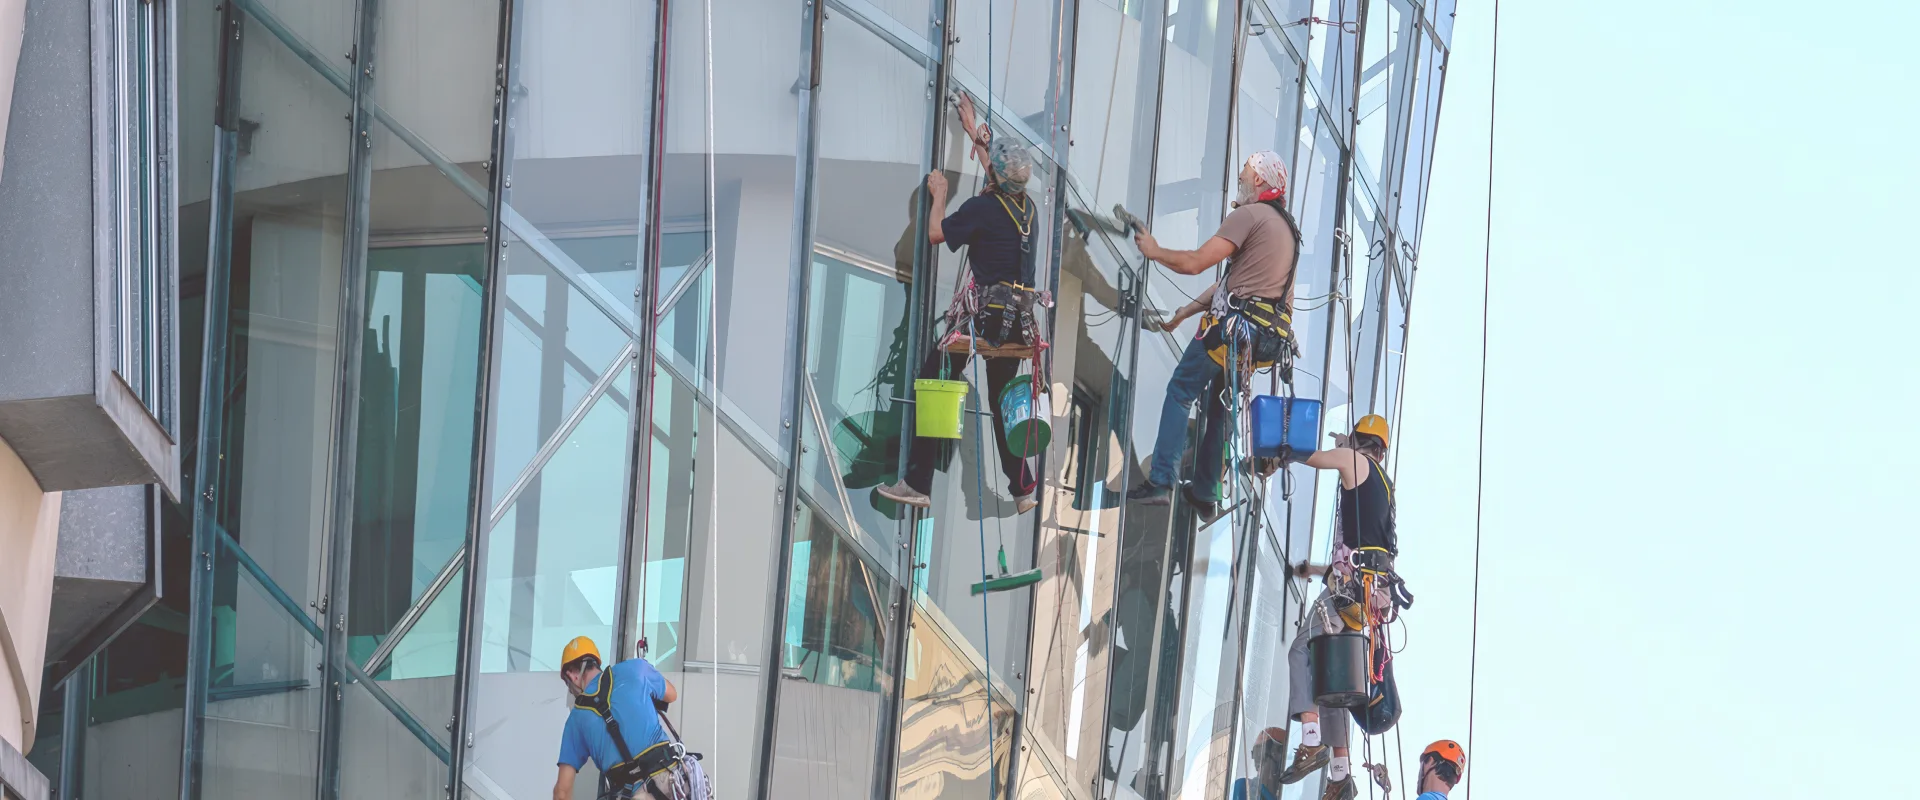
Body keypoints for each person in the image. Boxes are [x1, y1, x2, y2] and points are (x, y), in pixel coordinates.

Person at [876, 94, 1043, 515]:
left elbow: (936, 235)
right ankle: (1023, 488)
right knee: (1004, 398)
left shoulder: (982, 208)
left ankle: (917, 481)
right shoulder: (1027, 210)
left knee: (935, 377)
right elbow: (998, 176)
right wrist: (974, 133)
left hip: (985, 325)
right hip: (1016, 325)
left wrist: (939, 195)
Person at [1126, 151, 1301, 515]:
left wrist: (1155, 251)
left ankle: (1161, 480)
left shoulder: (1249, 215)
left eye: (1244, 175)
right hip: (1257, 344)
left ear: (1258, 181)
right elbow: (1237, 285)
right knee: (1220, 411)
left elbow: (1194, 263)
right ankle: (1206, 492)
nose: (1239, 180)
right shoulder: (1288, 237)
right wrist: (1186, 312)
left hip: (1230, 334)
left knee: (1180, 390)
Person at [1275, 415, 1397, 800]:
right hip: (1367, 595)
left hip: (1349, 592)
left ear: (1361, 444)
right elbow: (1357, 550)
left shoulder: (1356, 462)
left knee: (1301, 652)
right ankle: (1341, 774)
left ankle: (1312, 741)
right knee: (1334, 680)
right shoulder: (1383, 485)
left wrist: (1281, 446)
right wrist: (1311, 570)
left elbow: (1318, 459)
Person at [552, 636, 691, 800]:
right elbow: (671, 695)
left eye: (568, 685)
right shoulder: (635, 668)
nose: (571, 691)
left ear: (573, 675)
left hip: (629, 795)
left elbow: (562, 792)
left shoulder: (575, 720)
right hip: (672, 783)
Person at [1228, 727, 1289, 800]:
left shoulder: (1288, 793)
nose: (1259, 765)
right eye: (1257, 755)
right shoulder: (1243, 790)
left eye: (1261, 755)